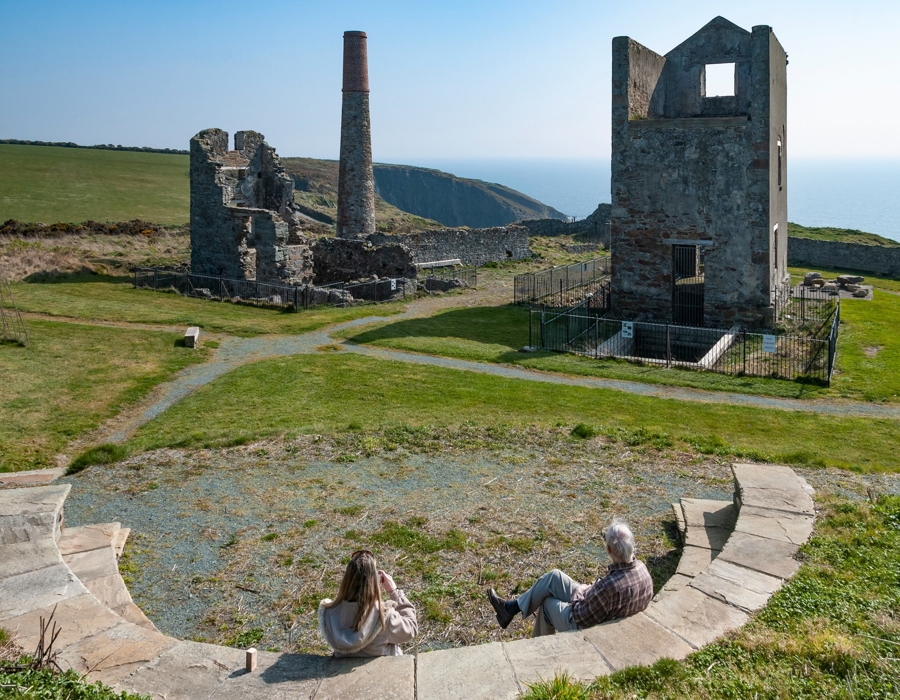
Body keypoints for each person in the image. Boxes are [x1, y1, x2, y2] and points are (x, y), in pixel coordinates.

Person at [487, 518, 653, 637]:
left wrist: (580, 592)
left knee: (547, 605)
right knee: (554, 576)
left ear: (609, 550)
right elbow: (608, 593)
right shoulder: (642, 570)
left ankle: (537, 650)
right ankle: (510, 608)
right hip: (607, 611)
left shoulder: (611, 586)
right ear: (631, 545)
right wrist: (592, 588)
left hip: (589, 626)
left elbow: (579, 615)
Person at [319, 550, 418, 656]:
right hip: (381, 670)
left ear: (346, 578)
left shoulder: (328, 613)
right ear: (374, 581)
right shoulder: (384, 617)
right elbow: (411, 629)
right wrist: (394, 592)